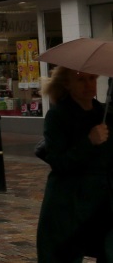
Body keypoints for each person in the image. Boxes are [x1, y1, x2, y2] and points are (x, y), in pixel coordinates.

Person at [36, 66, 113, 261]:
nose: (89, 84)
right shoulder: (58, 116)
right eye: (81, 80)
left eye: (92, 78)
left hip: (101, 204)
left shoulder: (104, 114)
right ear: (67, 84)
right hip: (68, 204)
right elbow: (59, 162)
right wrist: (89, 142)